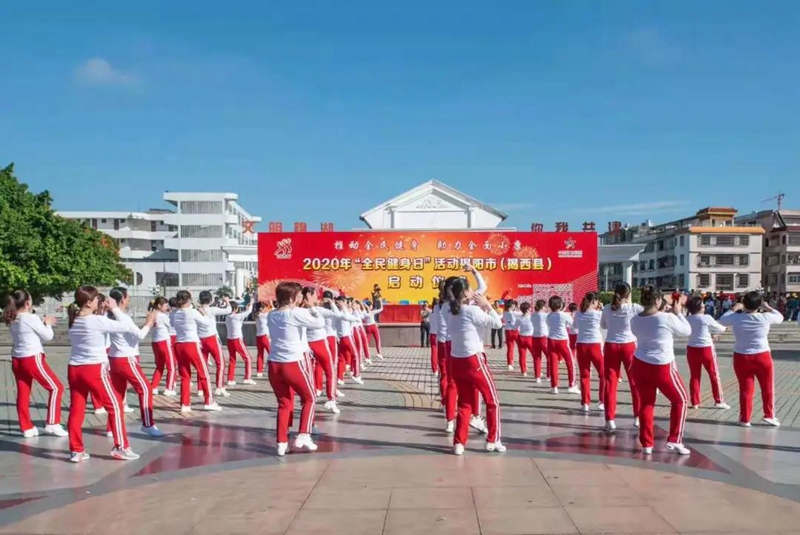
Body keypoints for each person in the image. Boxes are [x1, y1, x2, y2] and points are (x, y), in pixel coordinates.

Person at [67, 286, 153, 462]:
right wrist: (113, 308)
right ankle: (121, 446)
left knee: (77, 409)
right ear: (89, 302)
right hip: (94, 368)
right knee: (115, 406)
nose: (101, 301)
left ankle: (76, 450)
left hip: (74, 368)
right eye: (97, 299)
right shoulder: (96, 321)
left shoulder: (74, 320)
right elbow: (124, 326)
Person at [630, 286, 692, 455]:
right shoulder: (666, 318)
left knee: (646, 403)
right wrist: (678, 312)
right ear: (657, 301)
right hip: (662, 365)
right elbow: (687, 331)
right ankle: (675, 439)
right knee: (681, 400)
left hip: (640, 363)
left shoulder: (635, 319)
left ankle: (647, 444)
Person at [447, 277, 504, 455]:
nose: (474, 292)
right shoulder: (471, 311)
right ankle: (493, 440)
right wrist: (487, 305)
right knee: (492, 400)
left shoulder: (450, 311)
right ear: (465, 293)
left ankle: (459, 443)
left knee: (464, 403)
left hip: (456, 361)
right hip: (474, 360)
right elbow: (498, 323)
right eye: (470, 289)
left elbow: (478, 292)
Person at [267, 281, 325, 456]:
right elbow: (319, 323)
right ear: (292, 297)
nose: (301, 298)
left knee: (284, 403)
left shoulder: (271, 315)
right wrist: (313, 307)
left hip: (274, 364)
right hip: (293, 363)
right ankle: (304, 434)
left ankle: (281, 442)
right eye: (299, 295)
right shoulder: (296, 313)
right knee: (310, 397)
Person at [3, 290, 67, 438]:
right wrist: (48, 324)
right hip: (32, 358)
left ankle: (26, 427)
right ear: (27, 303)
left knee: (23, 393)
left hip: (17, 359)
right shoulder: (30, 318)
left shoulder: (13, 317)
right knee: (57, 387)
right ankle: (52, 423)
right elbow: (48, 336)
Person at [719, 291, 784, 427]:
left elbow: (722, 320)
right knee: (767, 387)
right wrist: (767, 307)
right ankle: (769, 415)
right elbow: (780, 317)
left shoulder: (736, 318)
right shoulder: (764, 317)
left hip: (741, 356)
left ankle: (745, 419)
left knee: (745, 389)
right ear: (758, 304)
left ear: (744, 303)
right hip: (762, 356)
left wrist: (734, 308)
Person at [106, 288, 163, 438]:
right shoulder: (123, 318)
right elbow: (140, 335)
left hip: (114, 358)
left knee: (117, 394)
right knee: (145, 389)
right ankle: (148, 424)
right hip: (126, 359)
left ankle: (111, 427)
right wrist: (149, 322)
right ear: (123, 299)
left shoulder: (110, 316)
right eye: (128, 297)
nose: (129, 299)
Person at [601, 282, 642, 432]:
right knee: (634, 382)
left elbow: (604, 326)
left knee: (610, 383)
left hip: (611, 345)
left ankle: (610, 419)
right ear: (629, 294)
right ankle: (638, 417)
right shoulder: (634, 308)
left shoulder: (606, 308)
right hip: (629, 345)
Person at [171, 290, 221, 413]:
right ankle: (209, 401)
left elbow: (172, 324)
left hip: (178, 344)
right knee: (203, 373)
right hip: (191, 344)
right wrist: (204, 314)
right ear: (188, 300)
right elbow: (207, 324)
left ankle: (185, 404)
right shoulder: (193, 312)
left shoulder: (174, 313)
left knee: (185, 375)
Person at [686, 296, 729, 410]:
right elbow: (721, 328)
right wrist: (722, 331)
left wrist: (709, 335)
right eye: (702, 305)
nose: (704, 306)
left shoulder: (688, 319)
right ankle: (719, 400)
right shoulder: (706, 317)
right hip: (706, 349)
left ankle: (695, 402)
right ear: (698, 307)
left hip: (692, 348)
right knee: (714, 375)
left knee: (694, 376)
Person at [302, 287, 341, 414]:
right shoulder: (316, 310)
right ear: (309, 295)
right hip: (318, 343)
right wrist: (331, 304)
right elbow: (337, 314)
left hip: (306, 344)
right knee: (330, 371)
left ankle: (311, 398)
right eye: (314, 295)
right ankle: (330, 399)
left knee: (310, 372)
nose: (317, 298)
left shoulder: (298, 310)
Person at [196, 291, 232, 396]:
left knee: (202, 364)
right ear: (211, 300)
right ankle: (219, 387)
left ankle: (200, 388)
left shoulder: (196, 311)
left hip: (200, 339)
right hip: (211, 338)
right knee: (220, 363)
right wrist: (227, 301)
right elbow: (228, 310)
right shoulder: (212, 309)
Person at [574, 292, 605, 413]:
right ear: (594, 301)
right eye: (597, 301)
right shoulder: (598, 314)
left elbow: (575, 326)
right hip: (595, 345)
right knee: (603, 374)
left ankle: (585, 403)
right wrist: (601, 309)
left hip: (581, 345)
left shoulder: (579, 313)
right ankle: (602, 401)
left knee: (584, 375)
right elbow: (605, 326)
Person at [545, 296, 578, 395]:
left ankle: (554, 387)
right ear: (560, 304)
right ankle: (572, 385)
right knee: (570, 363)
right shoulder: (564, 315)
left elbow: (549, 325)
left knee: (553, 364)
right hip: (562, 341)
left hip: (551, 340)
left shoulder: (549, 316)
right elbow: (574, 325)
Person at [149, 297, 177, 397]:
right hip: (164, 341)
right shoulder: (162, 315)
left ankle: (154, 387)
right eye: (165, 305)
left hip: (155, 341)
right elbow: (171, 325)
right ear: (159, 305)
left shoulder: (151, 314)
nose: (167, 307)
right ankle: (169, 388)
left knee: (159, 366)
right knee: (171, 366)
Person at [334, 296, 364, 385]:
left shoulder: (335, 312)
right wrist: (354, 310)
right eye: (346, 302)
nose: (348, 304)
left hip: (340, 338)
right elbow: (357, 319)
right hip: (347, 337)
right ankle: (357, 375)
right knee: (356, 355)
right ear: (343, 303)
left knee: (341, 358)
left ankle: (340, 378)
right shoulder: (344, 313)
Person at [226, 298, 255, 386]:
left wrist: (246, 310)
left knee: (232, 359)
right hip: (237, 340)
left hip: (229, 340)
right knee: (248, 358)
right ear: (235, 309)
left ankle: (230, 379)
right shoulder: (237, 316)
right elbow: (249, 311)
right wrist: (251, 302)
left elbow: (242, 318)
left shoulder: (228, 317)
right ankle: (247, 378)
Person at [531, 299, 549, 383]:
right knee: (549, 357)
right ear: (542, 307)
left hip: (534, 337)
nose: (546, 308)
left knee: (537, 358)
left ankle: (537, 377)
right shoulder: (544, 315)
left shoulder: (533, 315)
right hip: (543, 338)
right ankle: (548, 375)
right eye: (545, 306)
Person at [514, 302, 534, 377]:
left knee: (522, 355)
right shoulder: (532, 317)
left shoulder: (519, 318)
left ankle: (523, 371)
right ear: (528, 309)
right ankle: (537, 370)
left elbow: (515, 327)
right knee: (535, 355)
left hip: (521, 337)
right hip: (530, 338)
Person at [254, 301, 272, 378]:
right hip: (265, 336)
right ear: (262, 307)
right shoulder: (264, 315)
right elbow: (272, 311)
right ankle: (271, 368)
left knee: (260, 354)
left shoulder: (256, 315)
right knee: (271, 353)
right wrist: (270, 304)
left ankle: (259, 371)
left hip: (258, 336)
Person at [502, 300, 519, 371]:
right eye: (514, 305)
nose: (515, 306)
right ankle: (522, 363)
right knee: (521, 348)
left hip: (508, 331)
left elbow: (505, 320)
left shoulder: (504, 313)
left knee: (510, 349)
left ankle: (509, 364)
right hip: (515, 331)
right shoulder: (514, 313)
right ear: (512, 305)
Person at [429, 298, 440, 375]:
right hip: (439, 333)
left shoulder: (430, 313)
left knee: (434, 351)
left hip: (432, 333)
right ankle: (439, 367)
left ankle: (434, 369)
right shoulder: (440, 313)